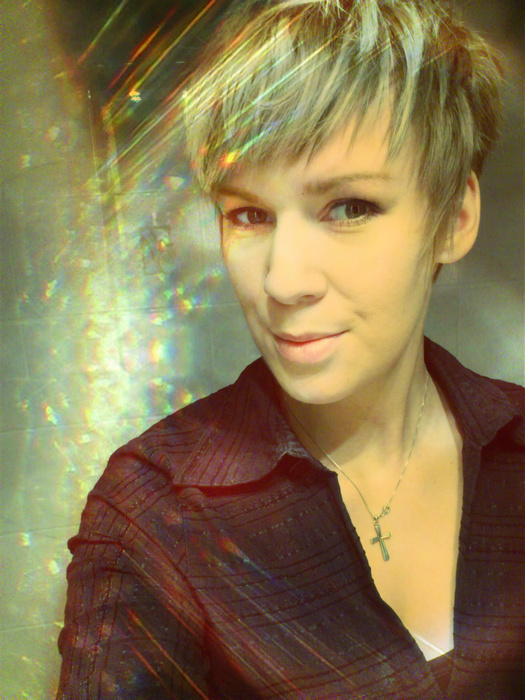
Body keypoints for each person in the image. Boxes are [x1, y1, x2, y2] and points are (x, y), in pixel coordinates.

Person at [56, 1, 525, 697]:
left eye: (349, 208)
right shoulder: (156, 510)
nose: (282, 281)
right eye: (248, 214)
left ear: (454, 217)